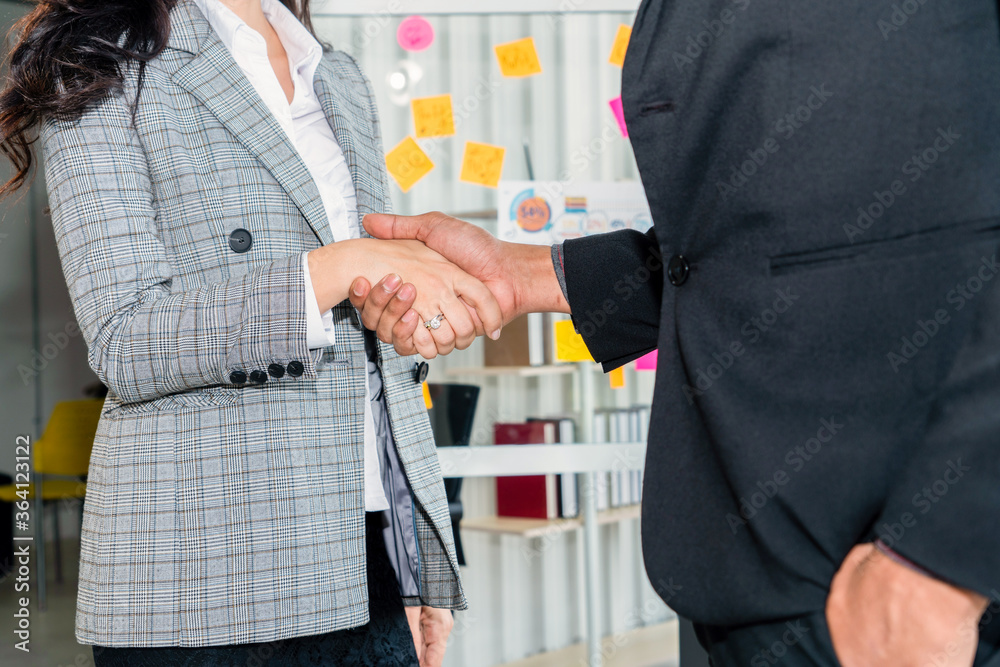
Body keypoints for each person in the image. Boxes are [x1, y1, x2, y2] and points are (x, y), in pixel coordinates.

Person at [350, 0, 1000, 664]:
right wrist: (530, 276)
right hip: (767, 570)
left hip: (912, 581)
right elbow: (752, 247)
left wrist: (941, 560)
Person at [0, 0, 503, 664]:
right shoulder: (101, 58)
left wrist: (416, 556)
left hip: (365, 552)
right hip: (206, 571)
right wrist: (343, 264)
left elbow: (371, 361)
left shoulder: (335, 73)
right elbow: (127, 336)